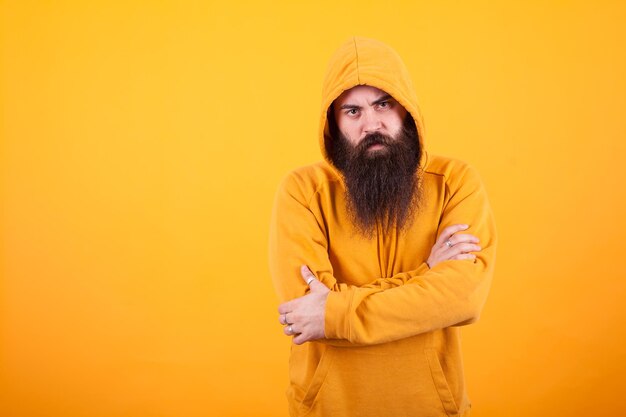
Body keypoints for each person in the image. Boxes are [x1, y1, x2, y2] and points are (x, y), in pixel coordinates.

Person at [269, 36, 497, 417]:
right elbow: (305, 315)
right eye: (352, 111)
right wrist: (428, 275)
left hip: (432, 407)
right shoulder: (302, 192)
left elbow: (463, 298)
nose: (371, 123)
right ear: (333, 123)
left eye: (382, 104)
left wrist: (335, 312)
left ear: (406, 110)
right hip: (329, 408)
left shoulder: (455, 182)